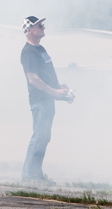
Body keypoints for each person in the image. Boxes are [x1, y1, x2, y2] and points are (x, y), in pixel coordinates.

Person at [20, 16, 70, 183]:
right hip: (40, 100)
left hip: (47, 99)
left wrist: (59, 87)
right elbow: (33, 78)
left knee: (44, 136)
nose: (43, 27)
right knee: (39, 136)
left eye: (43, 25)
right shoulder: (28, 52)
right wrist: (54, 92)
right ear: (29, 30)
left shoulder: (40, 49)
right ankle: (28, 176)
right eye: (39, 25)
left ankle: (36, 174)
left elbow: (46, 75)